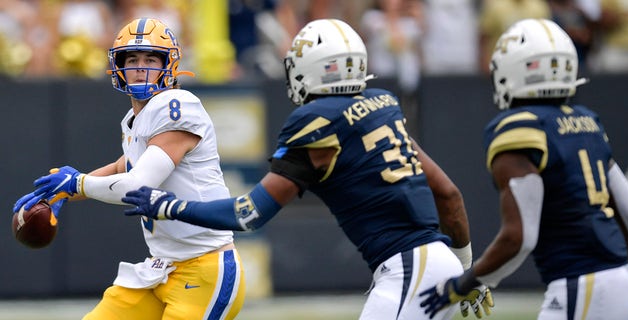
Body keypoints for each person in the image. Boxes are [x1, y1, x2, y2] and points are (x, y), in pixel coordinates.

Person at [121, 18, 493, 320]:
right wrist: (465, 270)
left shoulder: (315, 122)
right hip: (437, 261)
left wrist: (170, 206)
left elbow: (248, 214)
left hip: (408, 268)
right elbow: (449, 194)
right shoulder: (382, 107)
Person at [13, 18, 245, 319]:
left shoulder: (177, 104)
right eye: (132, 59)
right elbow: (122, 167)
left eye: (150, 58)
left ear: (170, 65)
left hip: (204, 271)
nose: (140, 66)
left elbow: (137, 185)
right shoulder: (135, 120)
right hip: (160, 268)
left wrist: (76, 184)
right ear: (118, 66)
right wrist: (59, 195)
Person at [420, 18, 628, 319]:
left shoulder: (519, 128)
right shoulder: (587, 122)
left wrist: (465, 282)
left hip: (582, 284)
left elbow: (520, 237)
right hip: (623, 281)